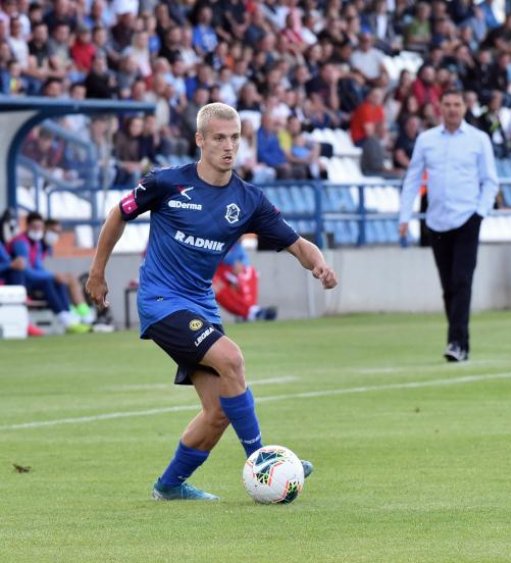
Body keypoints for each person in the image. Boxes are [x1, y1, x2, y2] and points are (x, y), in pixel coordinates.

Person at [85, 103, 338, 501]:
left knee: (218, 411)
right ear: (200, 140)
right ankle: (262, 460)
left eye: (235, 138)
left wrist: (319, 264)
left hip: (200, 305)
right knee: (232, 359)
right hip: (160, 301)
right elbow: (118, 214)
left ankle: (169, 487)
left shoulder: (248, 200)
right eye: (219, 138)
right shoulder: (167, 183)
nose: (228, 146)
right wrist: (97, 272)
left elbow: (296, 243)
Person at [398, 89, 499, 362]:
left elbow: (490, 180)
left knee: (462, 280)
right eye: (448, 104)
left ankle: (456, 342)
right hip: (437, 220)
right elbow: (413, 178)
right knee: (448, 286)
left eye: (457, 104)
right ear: (439, 108)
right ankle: (459, 341)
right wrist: (404, 216)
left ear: (464, 108)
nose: (453, 109)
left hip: (467, 217)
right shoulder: (426, 140)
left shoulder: (478, 140)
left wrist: (480, 211)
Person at [213, 241, 277, 322]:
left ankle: (250, 312)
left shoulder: (237, 246)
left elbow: (244, 261)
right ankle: (252, 312)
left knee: (250, 271)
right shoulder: (213, 240)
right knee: (215, 285)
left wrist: (239, 269)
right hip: (213, 272)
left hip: (228, 272)